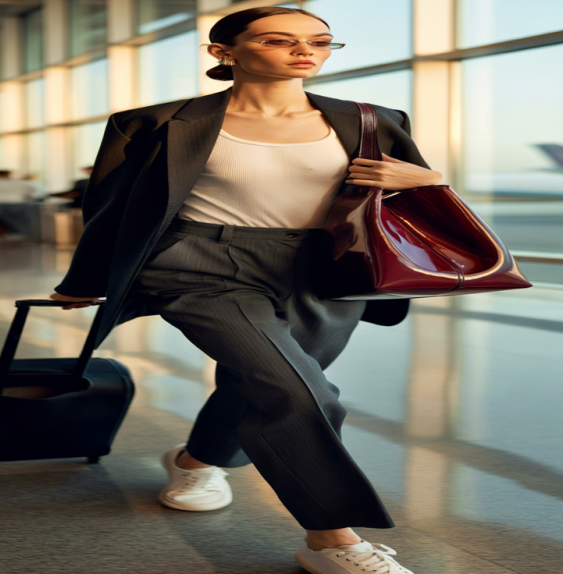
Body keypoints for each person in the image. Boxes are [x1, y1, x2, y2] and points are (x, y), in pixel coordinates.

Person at [49, 7, 442, 574]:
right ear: (223, 52)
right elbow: (111, 208)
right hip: (198, 262)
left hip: (326, 268)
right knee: (299, 390)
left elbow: (410, 202)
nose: (304, 50)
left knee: (260, 381)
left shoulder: (373, 119)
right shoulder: (155, 123)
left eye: (319, 41)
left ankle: (194, 458)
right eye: (280, 39)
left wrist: (430, 179)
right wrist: (84, 279)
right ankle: (332, 541)